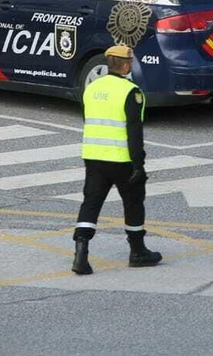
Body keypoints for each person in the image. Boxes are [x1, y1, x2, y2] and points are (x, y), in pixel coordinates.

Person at [72, 44, 162, 275]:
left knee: (91, 203)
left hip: (93, 156)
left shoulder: (92, 88)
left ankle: (80, 254)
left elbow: (88, 118)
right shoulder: (131, 92)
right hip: (122, 160)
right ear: (126, 65)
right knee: (133, 203)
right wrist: (139, 164)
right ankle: (138, 252)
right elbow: (134, 131)